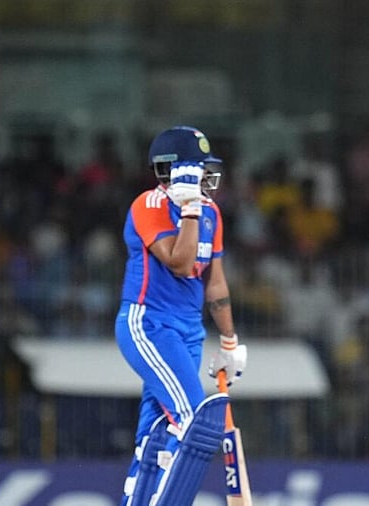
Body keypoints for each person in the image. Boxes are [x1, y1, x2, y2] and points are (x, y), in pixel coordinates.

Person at [114, 125, 248, 506]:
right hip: (149, 325)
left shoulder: (211, 213)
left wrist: (228, 342)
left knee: (155, 431)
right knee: (191, 421)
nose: (207, 177)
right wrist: (188, 210)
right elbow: (179, 261)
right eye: (199, 169)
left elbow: (216, 283)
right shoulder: (149, 206)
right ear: (175, 170)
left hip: (188, 332)